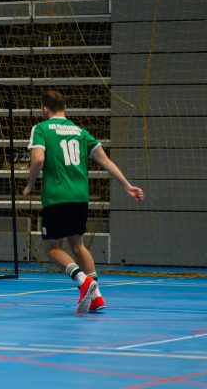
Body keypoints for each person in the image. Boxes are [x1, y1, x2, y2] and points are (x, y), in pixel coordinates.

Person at [23, 90, 144, 314]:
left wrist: (30, 185)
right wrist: (127, 186)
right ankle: (96, 297)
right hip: (80, 197)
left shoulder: (41, 128)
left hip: (56, 197)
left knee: (52, 248)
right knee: (78, 245)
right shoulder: (81, 132)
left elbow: (38, 159)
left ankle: (83, 280)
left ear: (44, 109)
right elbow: (106, 161)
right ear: (65, 108)